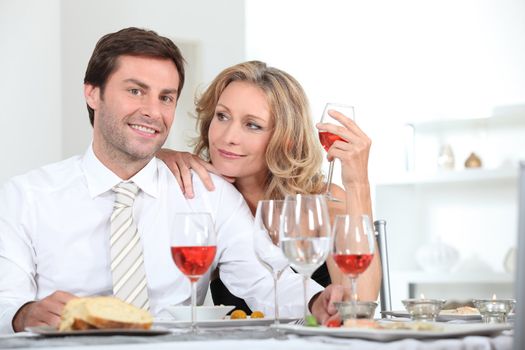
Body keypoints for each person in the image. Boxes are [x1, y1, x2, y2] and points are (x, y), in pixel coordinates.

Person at [0, 28, 342, 334]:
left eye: (165, 97)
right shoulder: (25, 196)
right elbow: (6, 300)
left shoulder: (210, 194)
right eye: (135, 91)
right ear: (93, 93)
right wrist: (23, 314)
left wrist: (316, 303)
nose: (152, 110)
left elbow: (266, 280)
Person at [157, 61, 381, 310]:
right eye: (222, 116)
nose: (228, 137)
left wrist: (358, 181)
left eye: (252, 125)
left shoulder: (323, 204)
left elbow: (360, 302)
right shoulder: (200, 195)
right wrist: (155, 156)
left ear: (286, 139)